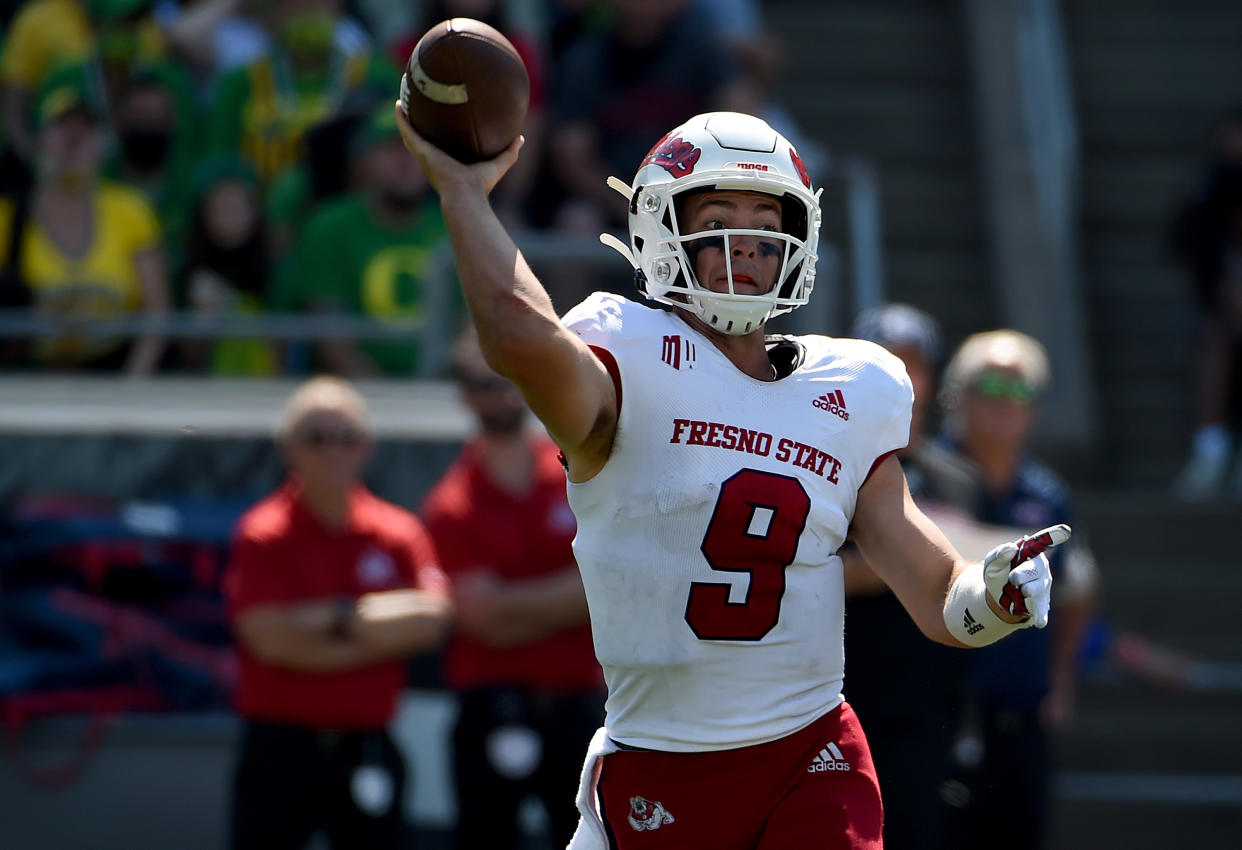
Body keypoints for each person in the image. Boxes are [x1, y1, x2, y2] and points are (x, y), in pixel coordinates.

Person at [395, 106, 1068, 849]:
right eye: (717, 214)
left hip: (809, 749)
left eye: (763, 216)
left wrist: (991, 598)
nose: (744, 239)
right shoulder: (625, 356)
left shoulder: (849, 388)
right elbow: (517, 333)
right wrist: (463, 192)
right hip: (660, 760)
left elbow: (939, 595)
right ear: (660, 229)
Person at [223, 376, 453, 850]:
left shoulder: (398, 532)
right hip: (278, 752)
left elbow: (432, 620)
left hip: (367, 746)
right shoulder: (262, 534)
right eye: (317, 438)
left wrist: (329, 624)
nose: (333, 451)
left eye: (346, 438)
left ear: (365, 447)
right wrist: (372, 635)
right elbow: (268, 639)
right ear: (289, 448)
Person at [420, 328, 604, 849]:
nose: (499, 394)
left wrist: (516, 605)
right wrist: (581, 592)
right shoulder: (452, 503)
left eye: (507, 380)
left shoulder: (576, 473)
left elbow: (619, 580)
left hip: (577, 705)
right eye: (483, 383)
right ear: (464, 395)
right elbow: (483, 618)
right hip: (490, 707)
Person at [932, 330, 1098, 850]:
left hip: (1020, 708)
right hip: (938, 706)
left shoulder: (1047, 494)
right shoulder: (921, 476)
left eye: (1022, 392)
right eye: (991, 388)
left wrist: (1061, 677)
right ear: (957, 394)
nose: (1007, 404)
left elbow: (1078, 588)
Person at [841, 303, 977, 850]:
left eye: (915, 362)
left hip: (927, 708)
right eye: (887, 359)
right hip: (838, 701)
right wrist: (897, 560)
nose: (903, 373)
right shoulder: (827, 465)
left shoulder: (958, 480)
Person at [0, 63, 170, 375]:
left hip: (109, 377)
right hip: (26, 382)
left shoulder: (130, 209)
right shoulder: (7, 216)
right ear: (39, 140)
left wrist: (131, 390)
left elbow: (156, 313)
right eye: (62, 127)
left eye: (85, 129)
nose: (73, 139)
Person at [272, 103, 452, 377]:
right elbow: (329, 335)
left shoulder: (453, 224)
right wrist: (391, 403)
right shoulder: (328, 227)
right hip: (353, 396)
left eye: (417, 150)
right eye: (392, 148)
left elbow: (469, 327)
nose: (406, 161)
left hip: (441, 391)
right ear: (362, 162)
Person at [1168, 107, 1242, 499]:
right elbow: (1183, 245)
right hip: (1220, 320)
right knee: (1215, 342)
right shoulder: (1207, 197)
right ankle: (1211, 451)